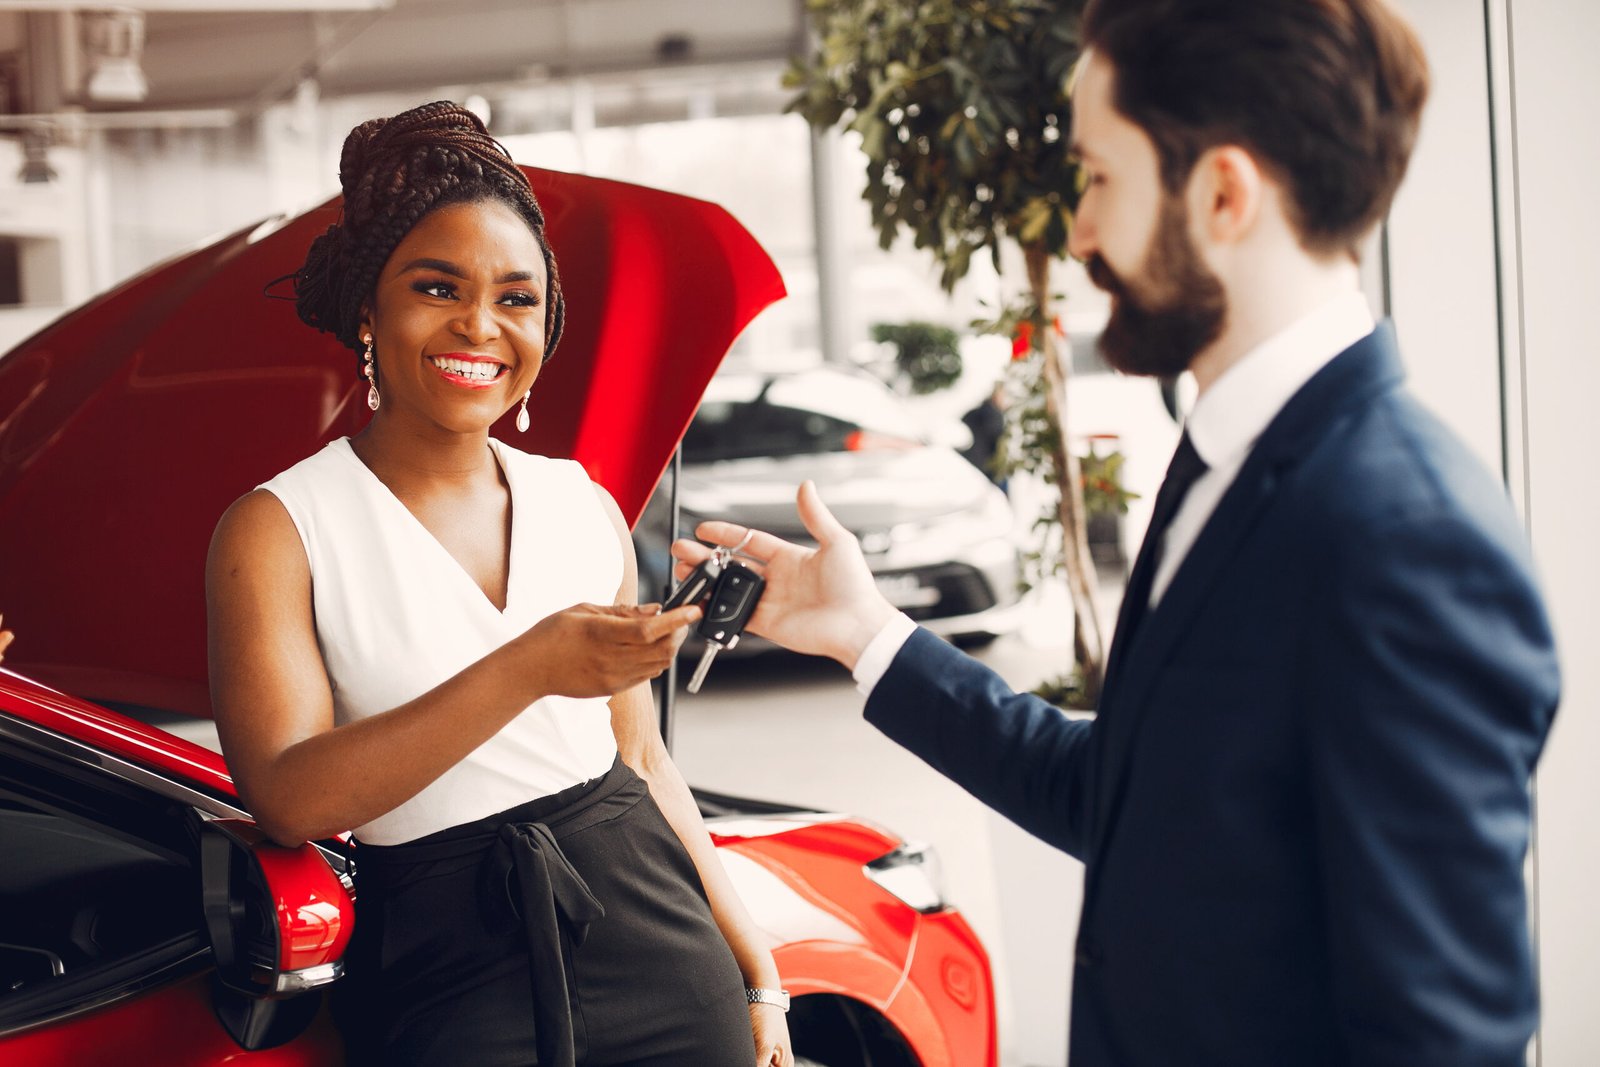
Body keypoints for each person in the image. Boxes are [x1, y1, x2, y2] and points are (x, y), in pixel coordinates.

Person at [674, 2, 1561, 1064]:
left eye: (1097, 178)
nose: (1078, 231)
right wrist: (866, 633)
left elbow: (1444, 1038)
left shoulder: (1407, 542)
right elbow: (1126, 797)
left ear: (1223, 194)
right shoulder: (1220, 463)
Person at [206, 102, 792, 1067]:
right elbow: (288, 797)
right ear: (368, 309)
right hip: (442, 977)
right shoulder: (279, 528)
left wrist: (756, 964)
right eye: (437, 287)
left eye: (516, 298)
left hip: (660, 947)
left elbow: (643, 761)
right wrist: (529, 667)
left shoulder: (582, 503)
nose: (479, 324)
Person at [959, 380, 1009, 490]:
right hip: (984, 470)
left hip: (968, 466)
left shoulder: (974, 412)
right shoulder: (995, 416)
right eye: (1004, 395)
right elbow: (998, 448)